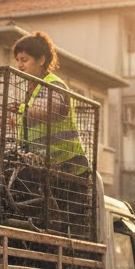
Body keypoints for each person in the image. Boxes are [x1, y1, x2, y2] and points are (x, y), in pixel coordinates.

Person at [11, 31, 89, 173]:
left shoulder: (54, 85)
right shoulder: (32, 89)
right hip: (47, 164)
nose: (19, 65)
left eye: (24, 60)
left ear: (41, 60)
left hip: (69, 165)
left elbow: (47, 111)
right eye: (17, 60)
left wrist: (20, 109)